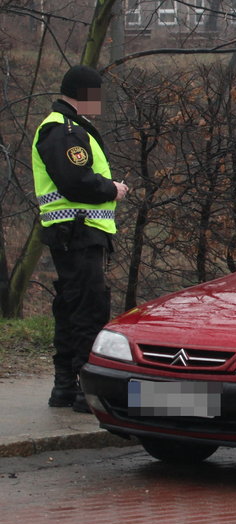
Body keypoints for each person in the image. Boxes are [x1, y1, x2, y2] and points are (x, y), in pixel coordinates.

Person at [32, 65, 128, 413]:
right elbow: (76, 181)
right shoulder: (64, 130)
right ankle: (86, 392)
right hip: (79, 230)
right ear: (83, 93)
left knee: (72, 306)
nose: (99, 102)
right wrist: (111, 189)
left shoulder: (63, 128)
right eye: (96, 94)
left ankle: (66, 387)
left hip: (74, 232)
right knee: (87, 309)